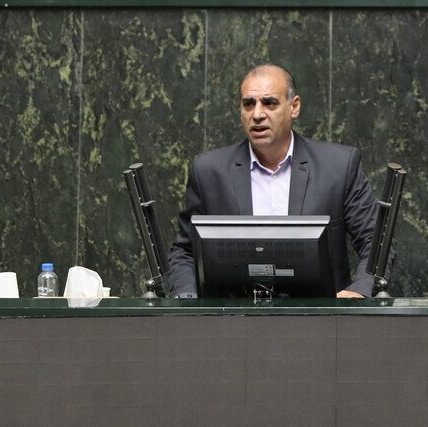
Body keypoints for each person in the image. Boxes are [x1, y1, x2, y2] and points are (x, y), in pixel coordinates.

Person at [166, 64, 392, 298]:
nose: (257, 114)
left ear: (294, 107)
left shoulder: (339, 166)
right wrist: (188, 301)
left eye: (269, 103)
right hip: (235, 317)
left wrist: (360, 291)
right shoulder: (209, 171)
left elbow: (375, 241)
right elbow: (185, 251)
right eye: (248, 104)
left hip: (319, 316)